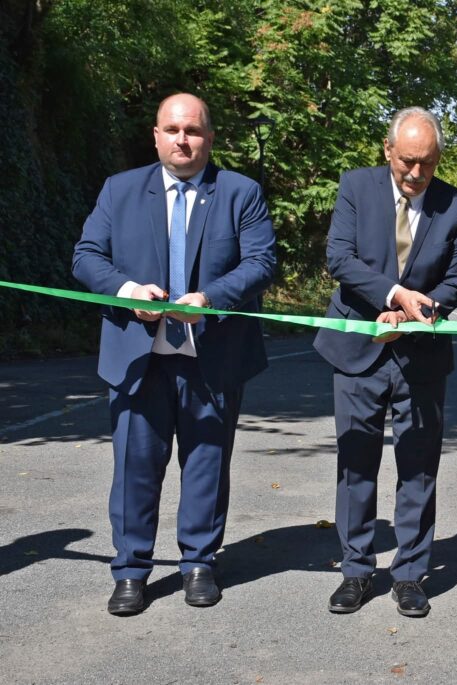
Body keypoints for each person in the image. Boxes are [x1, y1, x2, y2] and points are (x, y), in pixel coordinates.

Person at [72, 93, 277, 615]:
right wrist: (126, 291)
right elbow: (86, 257)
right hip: (138, 358)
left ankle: (199, 563)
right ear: (156, 135)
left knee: (207, 464)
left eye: (193, 130)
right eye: (172, 129)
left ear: (210, 137)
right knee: (135, 469)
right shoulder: (120, 191)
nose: (182, 139)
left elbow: (261, 263)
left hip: (213, 357)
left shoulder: (240, 192)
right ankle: (131, 571)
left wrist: (210, 300)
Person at [313, 107, 457, 618]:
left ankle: (409, 574)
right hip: (358, 348)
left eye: (426, 163)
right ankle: (357, 571)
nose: (415, 173)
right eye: (407, 161)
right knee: (356, 463)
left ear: (438, 158)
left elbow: (456, 279)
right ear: (388, 151)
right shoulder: (356, 188)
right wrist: (394, 294)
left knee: (418, 467)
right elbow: (339, 258)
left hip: (420, 355)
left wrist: (425, 307)